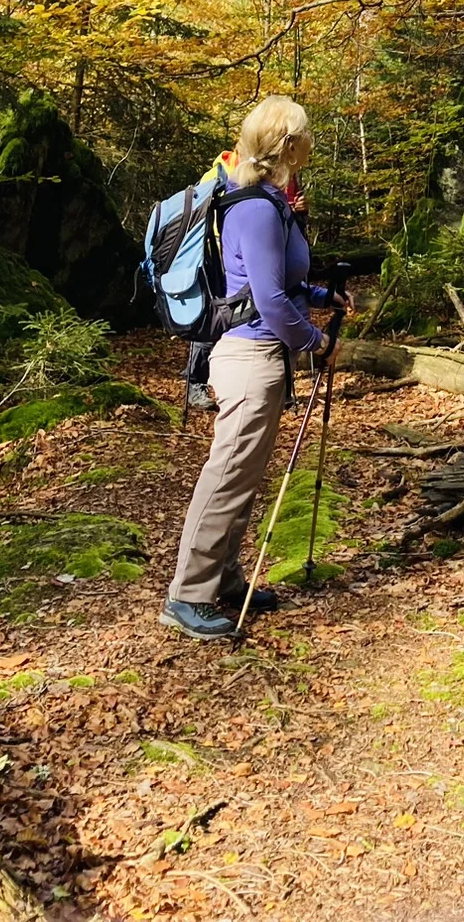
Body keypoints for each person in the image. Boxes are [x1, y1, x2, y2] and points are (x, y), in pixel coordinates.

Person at [162, 95, 339, 640]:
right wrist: (314, 341)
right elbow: (265, 299)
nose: (311, 142)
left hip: (260, 356)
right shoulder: (257, 207)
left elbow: (274, 282)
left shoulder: (266, 200)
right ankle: (187, 595)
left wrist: (321, 293)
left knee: (243, 477)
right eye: (306, 134)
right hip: (249, 358)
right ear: (288, 142)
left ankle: (225, 579)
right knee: (227, 477)